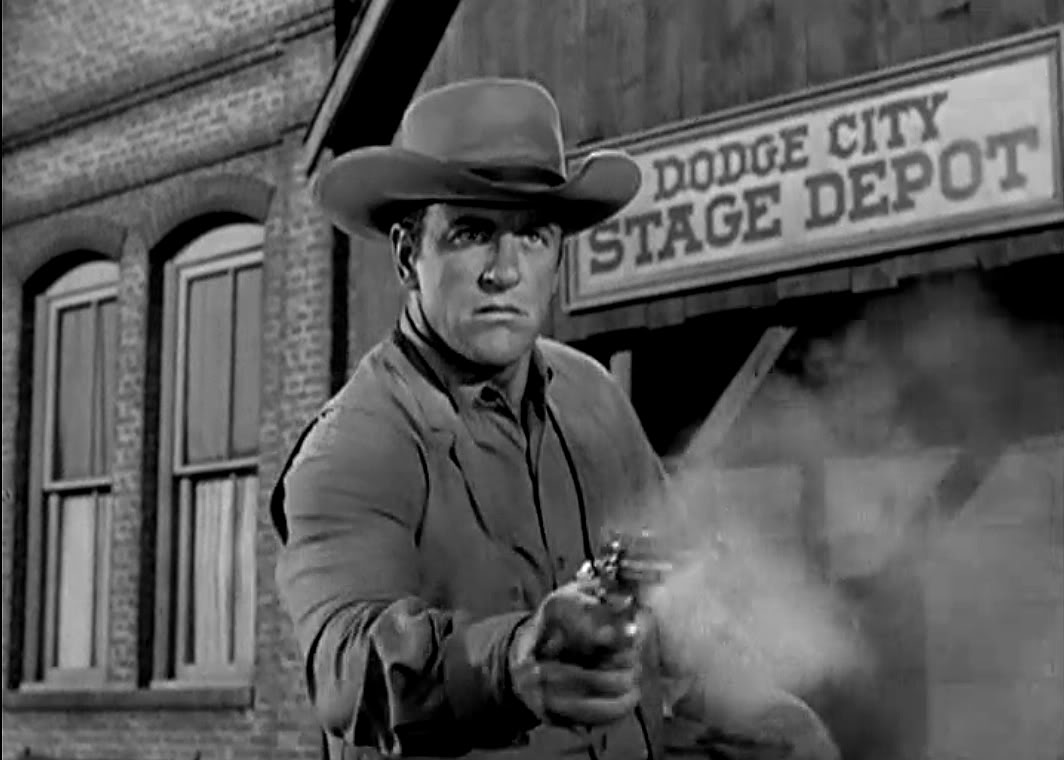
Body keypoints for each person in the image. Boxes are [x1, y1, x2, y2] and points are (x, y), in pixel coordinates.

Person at [271, 78, 839, 760]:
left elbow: (677, 602)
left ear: (558, 254)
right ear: (406, 255)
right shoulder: (353, 446)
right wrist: (511, 666)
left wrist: (759, 710)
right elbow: (345, 670)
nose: (505, 271)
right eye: (472, 233)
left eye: (534, 235)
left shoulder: (594, 396)